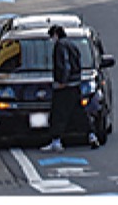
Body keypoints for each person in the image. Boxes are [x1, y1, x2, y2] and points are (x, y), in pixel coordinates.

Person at [41, 24, 98, 152]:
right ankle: (91, 135)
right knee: (79, 112)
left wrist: (62, 81)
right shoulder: (73, 45)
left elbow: (65, 65)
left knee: (58, 113)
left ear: (56, 34)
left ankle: (56, 141)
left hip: (64, 86)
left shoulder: (60, 46)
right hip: (75, 84)